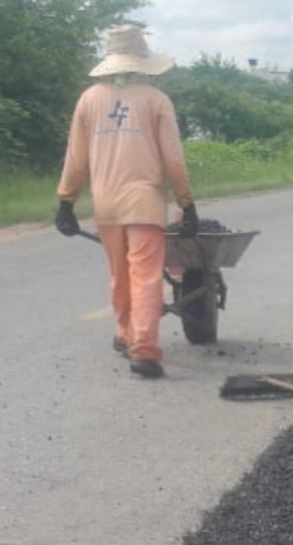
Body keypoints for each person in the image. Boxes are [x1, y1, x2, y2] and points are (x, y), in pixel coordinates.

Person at [55, 24, 199, 379]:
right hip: (145, 202)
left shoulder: (89, 99)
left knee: (119, 274)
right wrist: (187, 202)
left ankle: (124, 333)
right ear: (141, 60)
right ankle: (144, 350)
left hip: (107, 204)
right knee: (146, 277)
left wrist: (66, 201)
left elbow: (76, 157)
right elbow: (173, 158)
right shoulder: (156, 99)